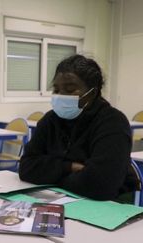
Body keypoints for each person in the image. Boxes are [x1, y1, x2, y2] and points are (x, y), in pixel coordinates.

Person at [19, 54, 138, 201]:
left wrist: (50, 174)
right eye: (56, 90)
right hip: (61, 198)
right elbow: (26, 168)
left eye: (70, 90)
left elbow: (101, 186)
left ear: (92, 93)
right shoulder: (50, 120)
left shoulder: (113, 122)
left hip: (111, 204)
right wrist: (69, 167)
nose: (61, 95)